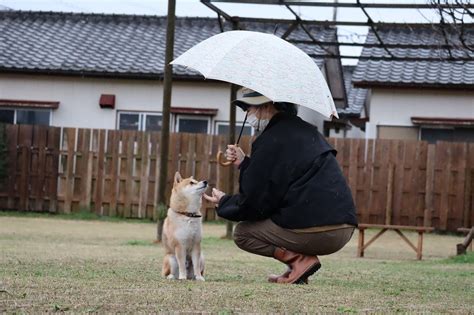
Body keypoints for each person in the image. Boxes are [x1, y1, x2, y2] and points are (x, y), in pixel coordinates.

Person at [204, 87, 357, 284]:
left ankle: (300, 261)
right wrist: (245, 163)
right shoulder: (306, 131)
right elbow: (280, 181)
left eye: (248, 108)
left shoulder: (270, 140)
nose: (247, 115)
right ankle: (298, 268)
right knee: (287, 213)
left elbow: (256, 204)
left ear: (265, 106)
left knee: (243, 233)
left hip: (318, 230)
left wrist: (224, 202)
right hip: (344, 228)